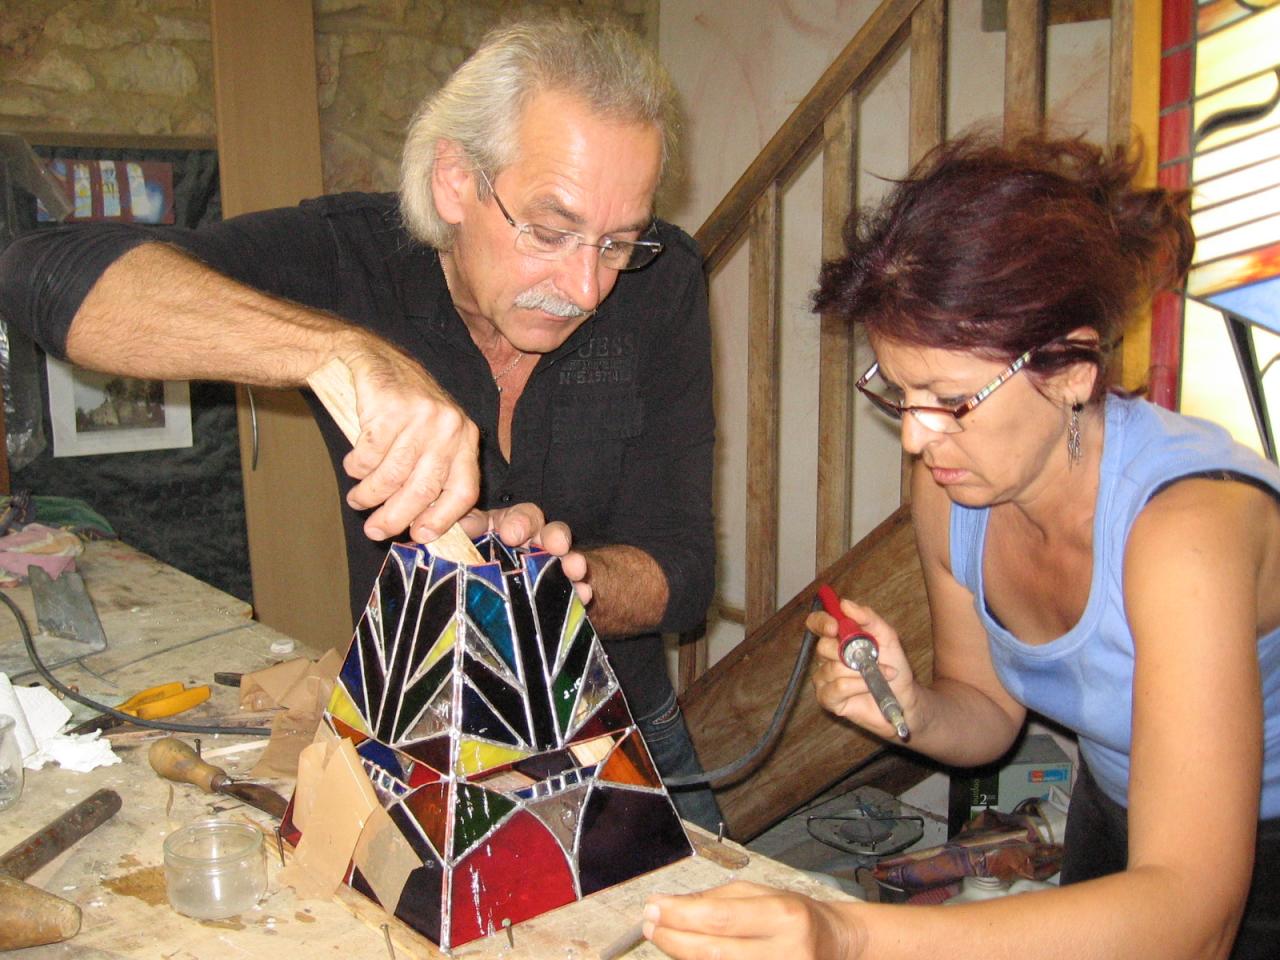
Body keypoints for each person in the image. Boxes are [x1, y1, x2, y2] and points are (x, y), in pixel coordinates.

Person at [0, 18, 721, 828]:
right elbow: (44, 274)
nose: (587, 287)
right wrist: (336, 352)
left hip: (619, 733)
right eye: (550, 232)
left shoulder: (662, 282)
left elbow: (686, 567)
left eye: (618, 242)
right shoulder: (350, 257)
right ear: (456, 178)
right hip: (420, 736)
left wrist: (547, 586)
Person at [642, 134, 1280, 959]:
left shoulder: (1186, 535)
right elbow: (986, 717)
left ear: (1074, 368)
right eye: (899, 394)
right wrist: (907, 709)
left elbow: (1191, 920)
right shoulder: (957, 492)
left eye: (950, 400)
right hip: (1116, 808)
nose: (916, 439)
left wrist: (850, 934)